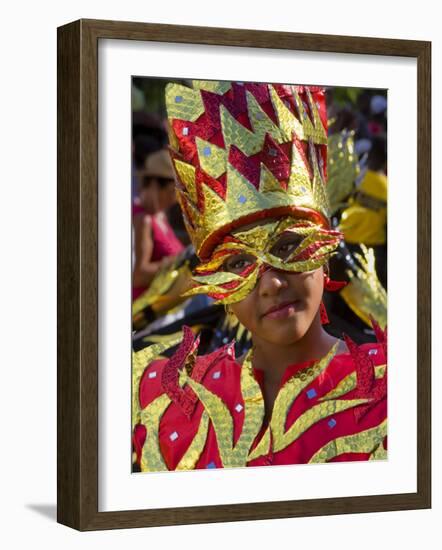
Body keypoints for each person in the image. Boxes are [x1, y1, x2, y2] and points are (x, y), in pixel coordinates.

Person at [132, 80, 387, 471]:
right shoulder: (169, 400)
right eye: (237, 263)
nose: (271, 283)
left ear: (325, 253)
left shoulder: (399, 388)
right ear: (217, 286)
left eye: (287, 247)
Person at [132, 148, 185, 300]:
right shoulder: (143, 219)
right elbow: (138, 275)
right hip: (146, 313)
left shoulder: (160, 216)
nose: (174, 200)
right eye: (171, 192)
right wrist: (176, 263)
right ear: (154, 185)